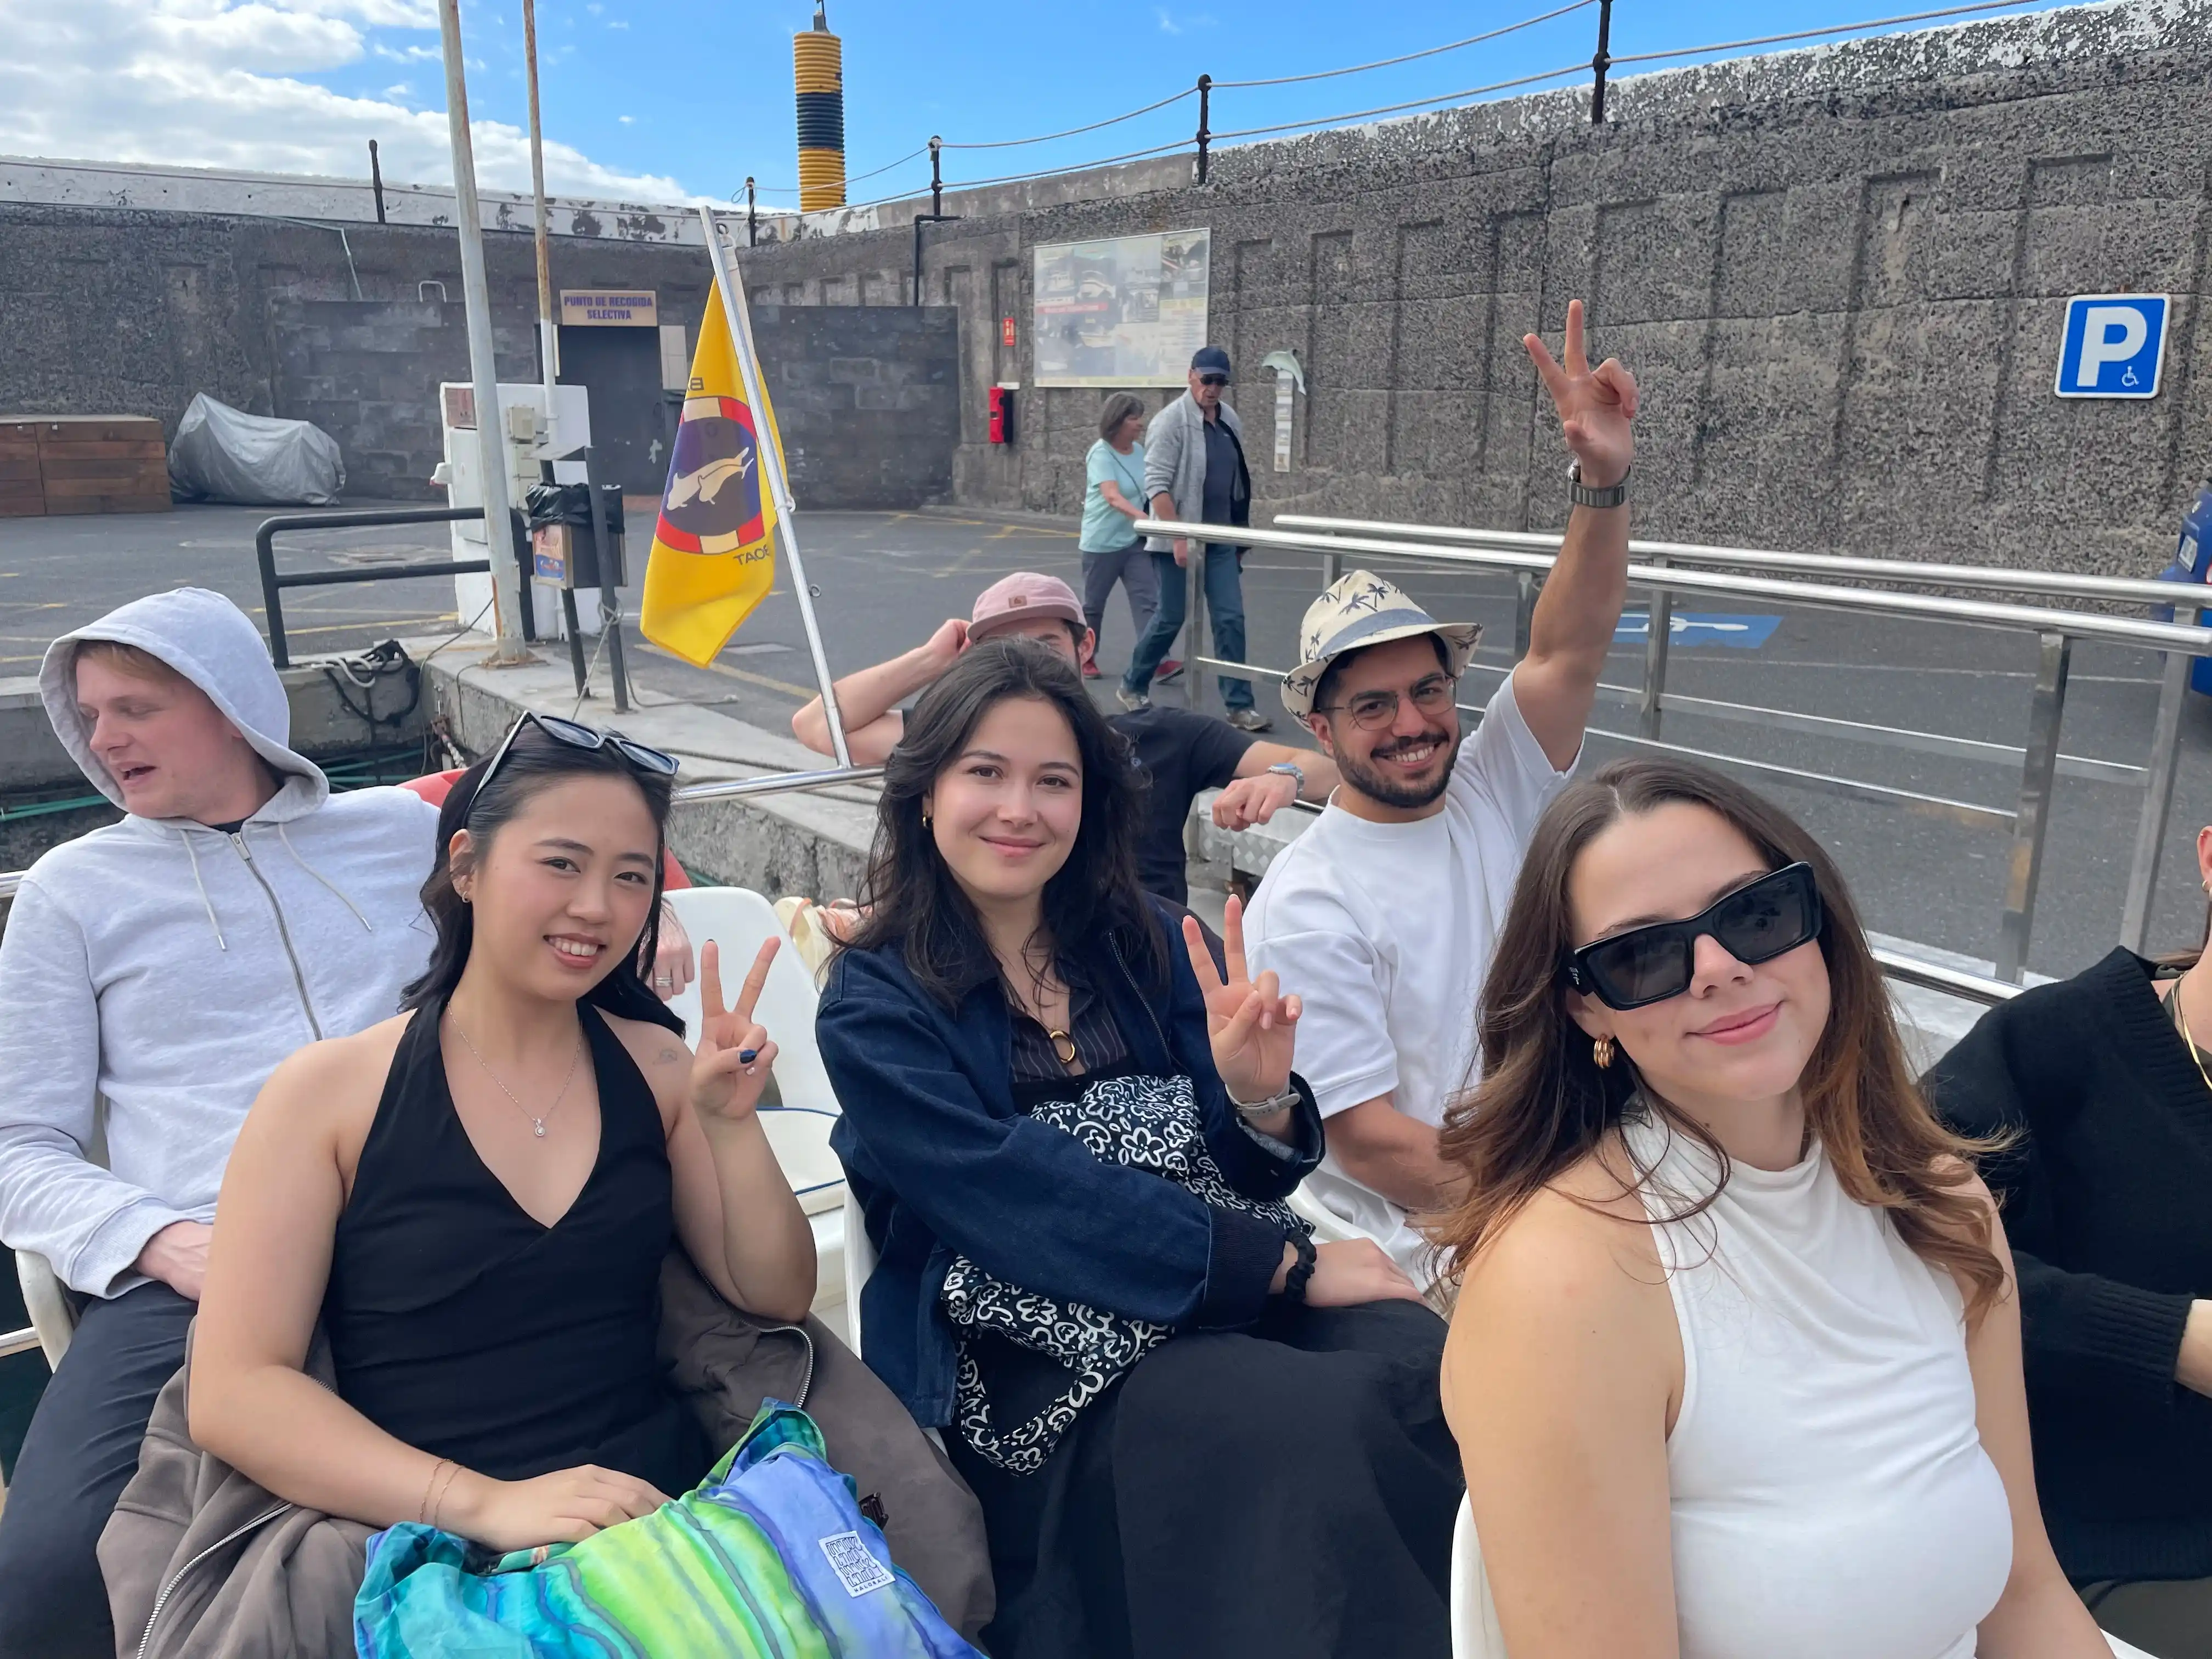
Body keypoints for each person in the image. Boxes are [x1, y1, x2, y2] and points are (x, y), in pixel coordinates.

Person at [817, 637, 1462, 1659]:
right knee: (1287, 1428)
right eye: (984, 772)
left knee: (1428, 1367)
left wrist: (1257, 1102)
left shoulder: (1146, 937)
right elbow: (1012, 1198)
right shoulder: (877, 996)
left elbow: (1235, 1155)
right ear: (926, 791)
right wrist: (1287, 1268)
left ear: (1090, 802)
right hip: (1039, 1341)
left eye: (1053, 780)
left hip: (1219, 1267)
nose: (1018, 808)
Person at [1435, 755, 2112, 1659]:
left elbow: (2025, 1592)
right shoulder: (1565, 1282)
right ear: (1586, 1009)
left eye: (1753, 913)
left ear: (1815, 921)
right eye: (1642, 954)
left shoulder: (1940, 1204)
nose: (1715, 967)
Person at [184, 715, 818, 1563]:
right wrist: (482, 1504)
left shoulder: (659, 1068)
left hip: (655, 1521)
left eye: (631, 877)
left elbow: (774, 1295)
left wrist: (731, 1130)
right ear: (466, 867)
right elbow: (233, 1391)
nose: (596, 907)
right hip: (423, 1542)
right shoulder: (326, 1095)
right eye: (560, 863)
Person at [0, 589, 442, 1659]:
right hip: (200, 1267)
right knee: (53, 1572)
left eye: (135, 709)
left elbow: (557, 907)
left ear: (234, 705)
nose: (102, 740)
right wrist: (166, 1243)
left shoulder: (406, 835)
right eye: (92, 714)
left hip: (437, 1225)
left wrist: (630, 947)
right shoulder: (71, 893)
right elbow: (17, 1151)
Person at [1244, 298, 1635, 1286]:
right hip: (1448, 1240)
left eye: (1427, 690)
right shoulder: (1309, 896)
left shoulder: (1488, 783)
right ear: (1319, 729)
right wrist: (1564, 1207)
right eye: (1371, 705)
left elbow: (1567, 646)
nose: (1412, 722)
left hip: (1571, 1171)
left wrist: (1601, 480)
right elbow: (1372, 1141)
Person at [1922, 826, 2212, 1658]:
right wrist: (2168, 1340)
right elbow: (1902, 1244)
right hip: (2105, 1552)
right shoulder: (2054, 1046)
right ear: (2210, 858)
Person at [792, 569, 1338, 905]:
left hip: (1144, 955)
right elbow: (818, 725)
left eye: (1045, 643)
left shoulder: (1164, 735)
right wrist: (931, 662)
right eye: (988, 773)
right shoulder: (956, 735)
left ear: (1085, 645)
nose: (1019, 807)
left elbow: (1326, 767)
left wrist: (1284, 778)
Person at [1120, 344, 1269, 730]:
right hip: (1179, 539)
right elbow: (1157, 485)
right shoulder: (1171, 422)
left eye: (1221, 381)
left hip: (1219, 538)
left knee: (1230, 619)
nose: (1213, 388)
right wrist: (1178, 537)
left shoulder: (1229, 420)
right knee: (1171, 618)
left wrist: (1239, 539)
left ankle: (1239, 706)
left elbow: (1237, 482)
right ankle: (1132, 684)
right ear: (1190, 376)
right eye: (1207, 379)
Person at [1077, 393, 1160, 682]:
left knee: (1148, 600)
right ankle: (1086, 657)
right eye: (1134, 418)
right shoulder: (1100, 453)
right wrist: (1143, 517)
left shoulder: (1140, 452)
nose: (1140, 424)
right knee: (1093, 606)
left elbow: (1153, 486)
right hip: (1101, 541)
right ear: (1118, 421)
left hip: (1134, 541)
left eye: (1140, 417)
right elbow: (1112, 496)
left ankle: (1153, 658)